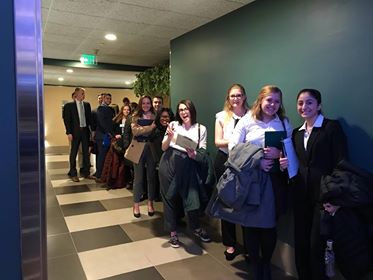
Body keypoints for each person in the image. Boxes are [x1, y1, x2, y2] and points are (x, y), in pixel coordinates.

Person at [279, 89, 348, 280]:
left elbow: (341, 162)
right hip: (300, 195)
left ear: (319, 105)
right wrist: (284, 165)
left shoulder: (331, 128)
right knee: (300, 242)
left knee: (316, 245)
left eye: (309, 102)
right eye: (300, 103)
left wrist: (336, 198)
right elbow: (295, 165)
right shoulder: (295, 134)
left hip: (324, 197)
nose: (304, 107)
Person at [227, 85, 292, 280]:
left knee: (269, 225)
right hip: (250, 179)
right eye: (269, 100)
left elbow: (291, 151)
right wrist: (257, 159)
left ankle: (266, 264)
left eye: (276, 101)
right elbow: (233, 148)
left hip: (273, 181)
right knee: (250, 225)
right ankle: (254, 263)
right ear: (260, 100)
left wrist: (280, 154)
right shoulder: (247, 121)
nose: (272, 104)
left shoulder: (284, 123)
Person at [159, 99, 211, 248]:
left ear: (192, 110)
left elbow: (202, 152)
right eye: (180, 109)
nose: (183, 112)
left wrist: (193, 154)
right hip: (169, 162)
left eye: (186, 109)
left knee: (192, 197)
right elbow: (163, 147)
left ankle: (196, 227)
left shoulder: (201, 128)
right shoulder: (174, 125)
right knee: (169, 197)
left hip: (189, 163)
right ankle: (173, 233)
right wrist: (169, 137)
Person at [214, 84, 249, 260]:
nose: (236, 98)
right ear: (228, 98)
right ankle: (230, 244)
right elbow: (217, 141)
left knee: (245, 201)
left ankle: (249, 246)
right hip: (225, 161)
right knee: (226, 202)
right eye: (232, 96)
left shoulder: (252, 116)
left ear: (244, 97)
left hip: (245, 163)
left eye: (239, 95)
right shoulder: (221, 117)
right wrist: (236, 141)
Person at [131, 96, 157, 218]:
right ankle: (136, 205)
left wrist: (143, 129)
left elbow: (155, 132)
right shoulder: (135, 116)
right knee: (138, 178)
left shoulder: (155, 116)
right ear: (141, 104)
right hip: (138, 148)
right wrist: (150, 128)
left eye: (148, 103)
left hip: (151, 148)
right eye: (144, 103)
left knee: (151, 177)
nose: (146, 105)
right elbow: (135, 132)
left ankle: (150, 203)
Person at [62, 87, 94, 182]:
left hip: (85, 131)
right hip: (74, 132)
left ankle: (86, 172)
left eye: (84, 93)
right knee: (74, 152)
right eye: (82, 93)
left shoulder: (87, 105)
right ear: (76, 94)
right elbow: (67, 120)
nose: (84, 95)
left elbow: (89, 119)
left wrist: (92, 131)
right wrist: (69, 132)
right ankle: (73, 173)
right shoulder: (69, 106)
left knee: (85, 153)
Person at [95, 93, 115, 183]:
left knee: (106, 156)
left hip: (108, 135)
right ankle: (99, 176)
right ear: (103, 99)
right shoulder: (100, 109)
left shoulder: (110, 109)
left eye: (110, 99)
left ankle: (104, 175)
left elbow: (112, 122)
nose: (109, 100)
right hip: (102, 136)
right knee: (101, 156)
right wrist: (109, 132)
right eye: (107, 98)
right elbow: (102, 123)